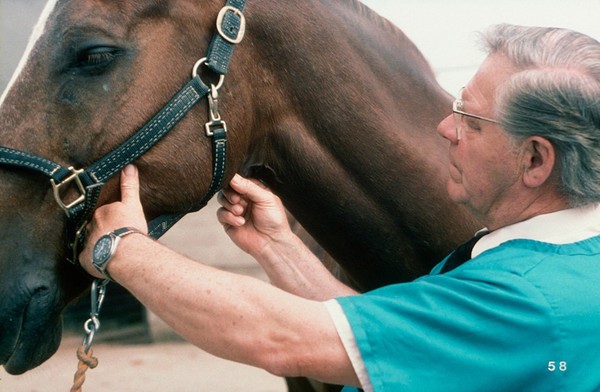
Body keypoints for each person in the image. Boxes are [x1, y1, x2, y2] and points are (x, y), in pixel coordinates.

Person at [79, 24, 600, 391]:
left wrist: (119, 247)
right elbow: (379, 341)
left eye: (470, 119)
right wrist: (278, 247)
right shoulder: (562, 260)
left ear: (534, 160)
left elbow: (280, 338)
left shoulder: (527, 301)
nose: (446, 128)